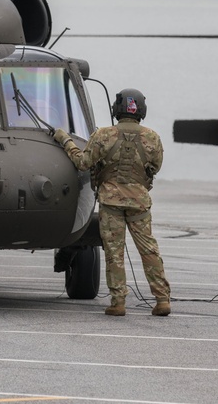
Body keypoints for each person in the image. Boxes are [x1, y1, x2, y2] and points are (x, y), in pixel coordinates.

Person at [52, 88, 171, 317]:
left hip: (111, 201)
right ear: (141, 110)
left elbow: (83, 162)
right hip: (139, 202)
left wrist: (65, 140)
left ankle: (118, 302)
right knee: (149, 249)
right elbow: (155, 167)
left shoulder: (103, 135)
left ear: (117, 109)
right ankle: (162, 299)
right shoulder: (153, 137)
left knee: (114, 252)